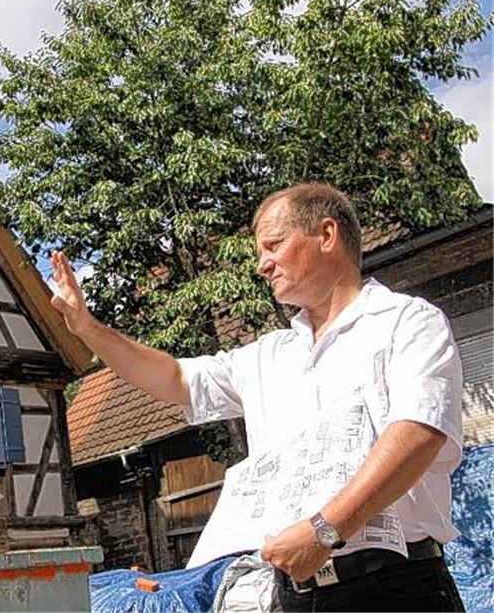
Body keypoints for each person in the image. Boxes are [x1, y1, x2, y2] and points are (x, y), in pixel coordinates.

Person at [50, 183, 465, 611]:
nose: (262, 265)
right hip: (292, 596)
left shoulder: (407, 322)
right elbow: (174, 377)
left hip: (392, 590)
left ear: (326, 235)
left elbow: (419, 433)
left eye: (273, 245)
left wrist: (325, 530)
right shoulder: (269, 355)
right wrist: (88, 328)